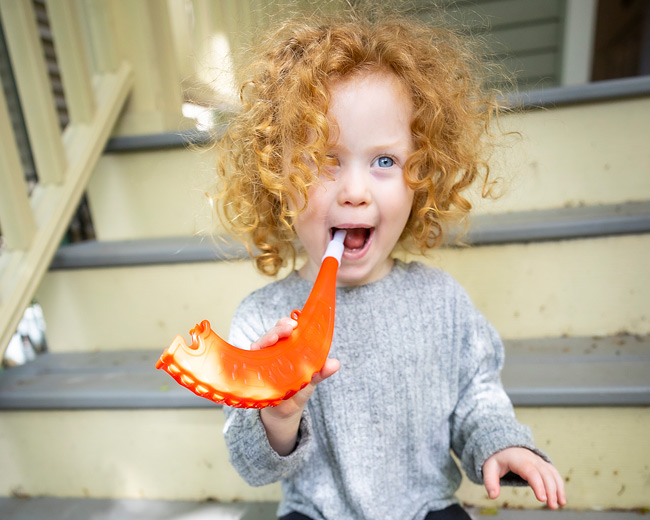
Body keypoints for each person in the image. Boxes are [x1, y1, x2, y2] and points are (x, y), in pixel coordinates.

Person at [215, 8, 566, 520]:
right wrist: (277, 415)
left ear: (421, 178)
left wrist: (500, 443)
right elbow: (253, 466)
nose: (356, 192)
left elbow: (477, 399)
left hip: (425, 509)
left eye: (385, 161)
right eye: (325, 160)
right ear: (277, 181)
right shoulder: (260, 321)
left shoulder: (440, 302)